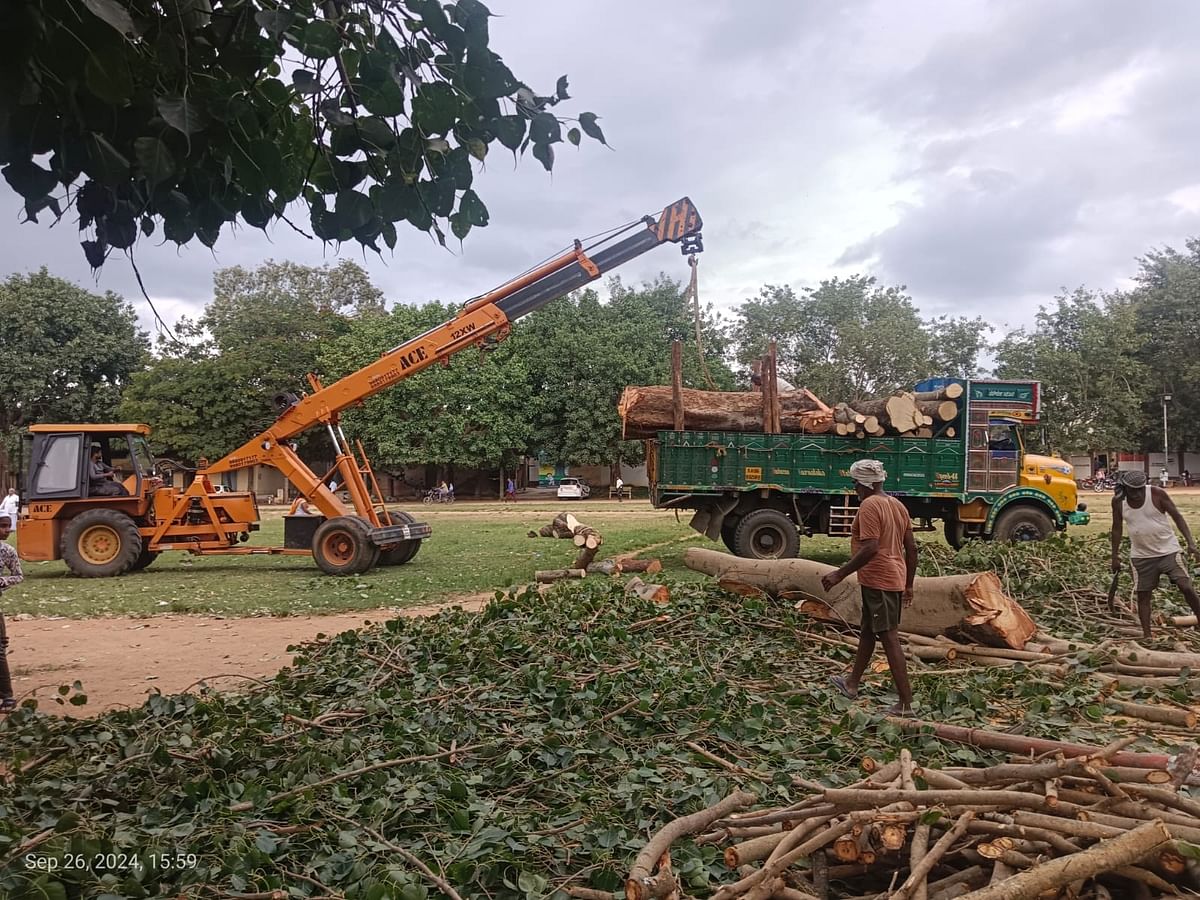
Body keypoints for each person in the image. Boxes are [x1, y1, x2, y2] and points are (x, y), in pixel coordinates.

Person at [821, 459, 918, 715]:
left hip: (879, 579)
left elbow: (871, 547)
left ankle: (906, 704)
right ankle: (851, 684)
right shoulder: (897, 505)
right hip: (893, 578)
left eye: (855, 482)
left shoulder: (869, 505)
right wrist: (908, 583)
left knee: (889, 636)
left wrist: (839, 574)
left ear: (863, 484)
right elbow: (912, 548)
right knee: (868, 630)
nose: (854, 488)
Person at [1111, 470, 1200, 639]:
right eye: (1132, 490)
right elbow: (1116, 528)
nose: (1137, 494)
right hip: (1141, 556)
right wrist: (1114, 556)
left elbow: (1177, 516)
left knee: (1186, 586)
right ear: (1125, 488)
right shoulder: (1118, 502)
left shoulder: (1157, 494)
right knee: (1143, 595)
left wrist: (1190, 543)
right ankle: (1147, 636)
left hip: (1169, 551)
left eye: (1140, 489)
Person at [0, 514, 23, 712]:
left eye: (8, 526)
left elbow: (18, 576)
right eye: (3, 526)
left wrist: (4, 581)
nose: (7, 530)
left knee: (0, 650)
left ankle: (7, 697)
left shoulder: (7, 551)